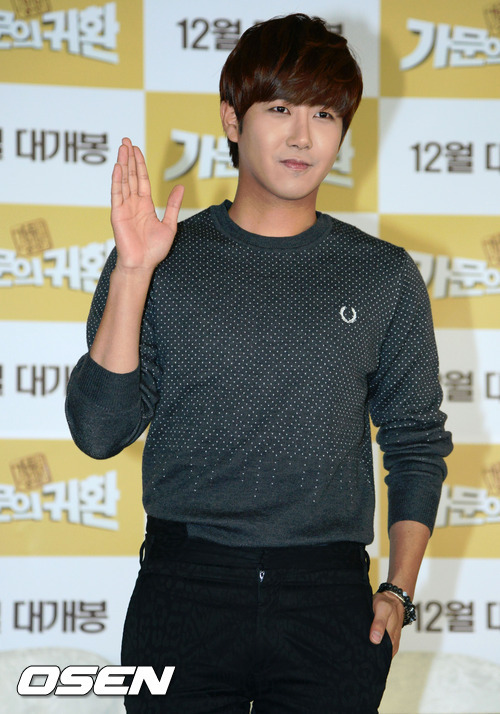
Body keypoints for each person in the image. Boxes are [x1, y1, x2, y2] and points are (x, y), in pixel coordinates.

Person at [65, 13, 453, 713]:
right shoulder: (161, 260)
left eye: (324, 114)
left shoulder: (383, 275)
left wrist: (398, 590)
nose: (302, 135)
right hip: (184, 591)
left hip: (330, 604)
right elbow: (99, 432)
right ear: (232, 119)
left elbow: (416, 443)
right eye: (279, 109)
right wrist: (133, 270)